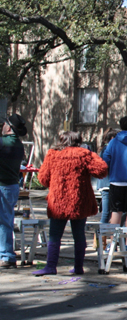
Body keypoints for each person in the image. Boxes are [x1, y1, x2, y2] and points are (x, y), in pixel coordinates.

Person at [32, 131, 108, 275]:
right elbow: (101, 170)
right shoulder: (84, 154)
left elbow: (43, 178)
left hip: (58, 201)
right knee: (79, 234)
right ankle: (78, 267)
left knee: (55, 235)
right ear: (79, 140)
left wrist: (55, 182)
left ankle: (50, 266)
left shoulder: (53, 154)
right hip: (79, 200)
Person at [0, 114, 27, 269]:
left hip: (3, 185)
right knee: (6, 220)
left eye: (4, 124)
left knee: (4, 222)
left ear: (8, 127)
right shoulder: (18, 144)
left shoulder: (3, 143)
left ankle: (6, 255)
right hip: (12, 185)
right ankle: (6, 254)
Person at [96, 129, 117, 224]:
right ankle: (99, 236)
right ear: (112, 138)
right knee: (106, 213)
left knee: (111, 212)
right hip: (107, 185)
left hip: (109, 184)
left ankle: (103, 235)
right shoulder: (108, 149)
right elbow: (106, 166)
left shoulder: (108, 149)